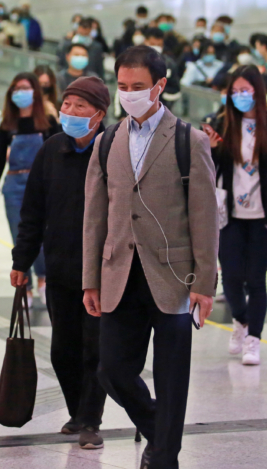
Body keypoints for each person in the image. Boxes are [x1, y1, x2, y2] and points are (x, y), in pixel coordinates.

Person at [82, 46, 218, 469]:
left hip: (173, 275)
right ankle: (163, 430)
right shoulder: (106, 142)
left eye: (138, 87)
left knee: (172, 377)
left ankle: (163, 457)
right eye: (122, 87)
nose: (129, 94)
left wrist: (204, 285)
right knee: (112, 370)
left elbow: (204, 216)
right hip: (119, 272)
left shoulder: (188, 141)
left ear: (160, 85)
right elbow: (94, 216)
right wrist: (91, 278)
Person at [11, 76, 110, 449]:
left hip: (101, 272)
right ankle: (77, 411)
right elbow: (32, 211)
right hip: (61, 267)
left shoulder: (113, 151)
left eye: (78, 106)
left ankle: (91, 419)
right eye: (66, 104)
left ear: (98, 114)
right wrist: (22, 260)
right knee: (62, 349)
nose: (68, 111)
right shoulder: (51, 149)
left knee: (95, 349)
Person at [203, 65, 267, 366]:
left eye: (245, 90)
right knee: (231, 277)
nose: (240, 96)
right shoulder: (221, 123)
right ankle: (241, 323)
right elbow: (207, 172)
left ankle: (253, 339)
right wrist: (211, 149)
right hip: (230, 214)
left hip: (264, 215)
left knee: (255, 279)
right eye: (235, 91)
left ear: (258, 91)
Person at [0, 73, 60, 303]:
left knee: (42, 234)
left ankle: (43, 278)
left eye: (26, 88)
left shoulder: (48, 122)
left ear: (35, 92)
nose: (21, 92)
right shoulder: (8, 124)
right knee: (19, 237)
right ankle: (24, 285)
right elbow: (0, 158)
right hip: (14, 185)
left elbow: (58, 155)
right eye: (16, 88)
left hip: (42, 184)